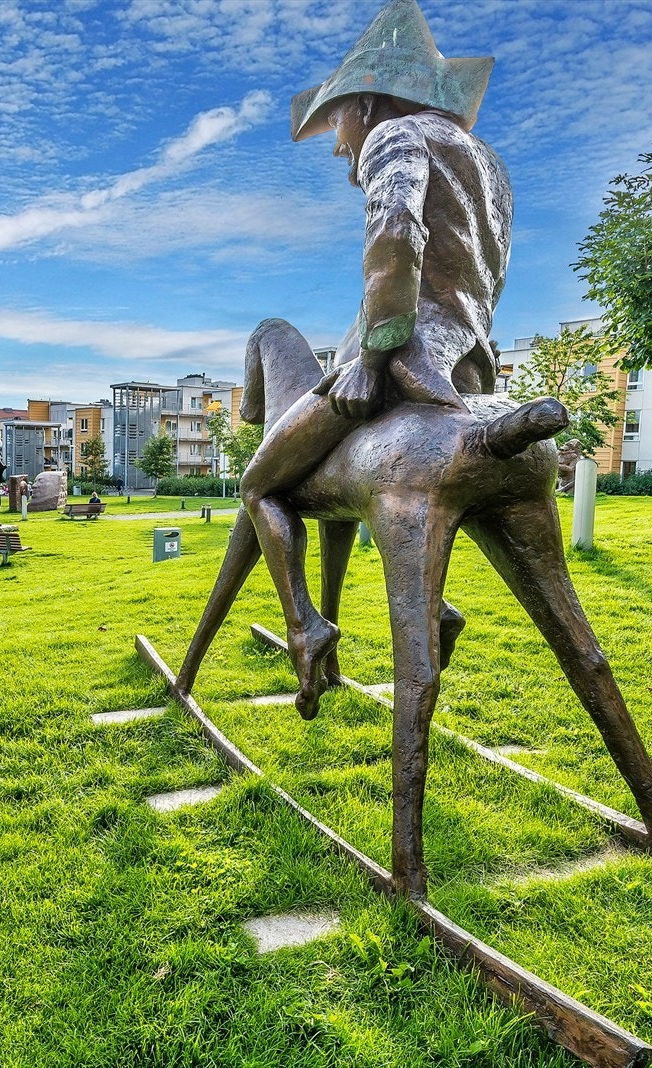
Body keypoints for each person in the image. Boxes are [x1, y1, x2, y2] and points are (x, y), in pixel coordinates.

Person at [240, 0, 510, 702]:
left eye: (336, 122)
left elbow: (395, 236)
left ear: (363, 104)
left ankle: (306, 626)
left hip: (399, 361)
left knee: (258, 484)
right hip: (468, 365)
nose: (338, 146)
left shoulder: (396, 135)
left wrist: (369, 357)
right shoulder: (486, 163)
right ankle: (436, 606)